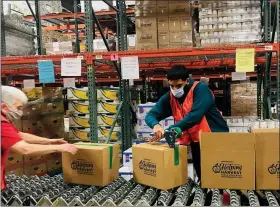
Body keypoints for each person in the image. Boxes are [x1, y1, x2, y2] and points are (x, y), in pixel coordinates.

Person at [145, 65, 229, 182]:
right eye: (172, 86)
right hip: (196, 140)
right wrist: (156, 125)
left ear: (187, 81)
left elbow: (195, 116)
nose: (175, 89)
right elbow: (150, 115)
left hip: (214, 137)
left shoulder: (201, 90)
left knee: (218, 175)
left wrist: (169, 130)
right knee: (202, 175)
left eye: (179, 85)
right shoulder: (170, 97)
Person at [1, 86, 78, 190]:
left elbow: (19, 135)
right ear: (4, 107)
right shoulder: (2, 124)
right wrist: (59, 148)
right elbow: (24, 149)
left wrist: (49, 141)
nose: (21, 112)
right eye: (18, 108)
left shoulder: (4, 120)